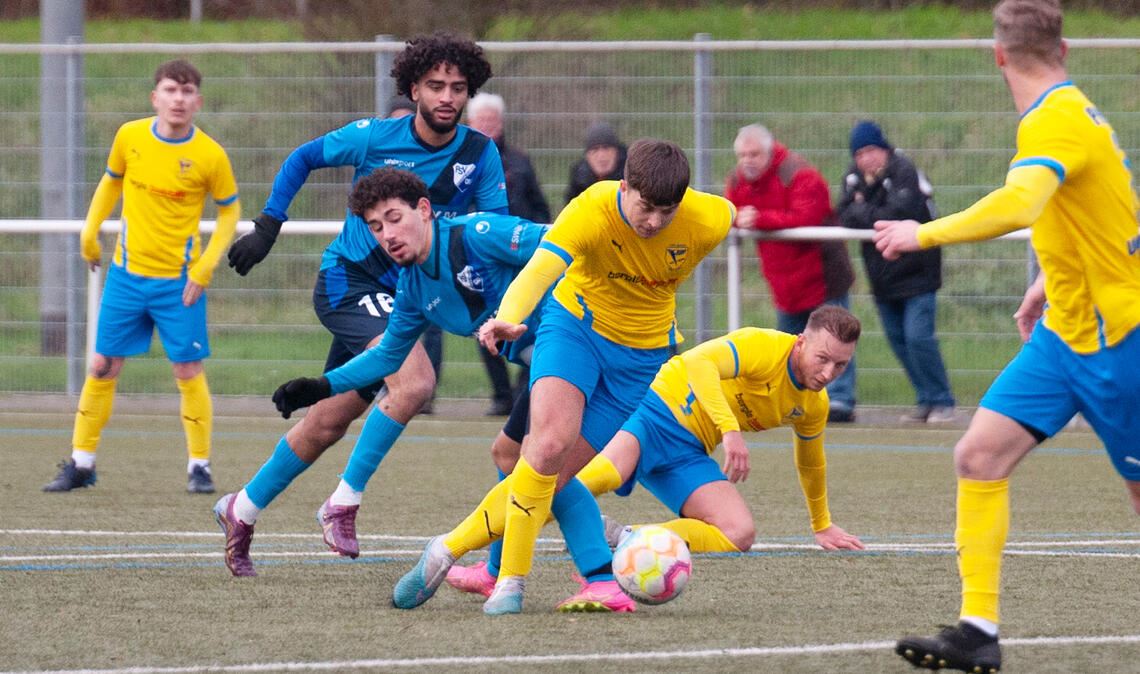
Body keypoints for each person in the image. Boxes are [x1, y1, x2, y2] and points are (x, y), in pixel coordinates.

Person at [874, 1, 1140, 670]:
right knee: (979, 456)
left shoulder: (1054, 119)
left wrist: (921, 232)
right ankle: (978, 630)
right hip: (1064, 337)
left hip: (1120, 342)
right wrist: (1051, 281)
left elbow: (1021, 203)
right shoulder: (1067, 114)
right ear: (1065, 49)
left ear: (997, 56)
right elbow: (1101, 212)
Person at [391, 138, 735, 615]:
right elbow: (539, 269)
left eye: (666, 211)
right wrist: (510, 315)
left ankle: (446, 548)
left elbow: (733, 210)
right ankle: (510, 580)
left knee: (557, 476)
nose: (654, 221)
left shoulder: (710, 217)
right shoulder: (592, 208)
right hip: (574, 329)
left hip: (642, 359)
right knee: (547, 445)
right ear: (624, 186)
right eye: (646, 207)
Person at [213, 33, 507, 578]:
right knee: (415, 382)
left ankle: (241, 508)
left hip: (407, 296)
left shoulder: (479, 154)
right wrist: (269, 224)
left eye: (458, 88)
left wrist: (494, 308)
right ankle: (342, 503)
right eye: (436, 85)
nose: (447, 96)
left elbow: (494, 236)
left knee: (330, 418)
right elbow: (303, 157)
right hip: (347, 282)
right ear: (414, 87)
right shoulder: (375, 137)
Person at [270, 167, 622, 602]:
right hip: (547, 364)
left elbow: (560, 241)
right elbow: (385, 358)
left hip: (584, 347)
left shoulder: (477, 233)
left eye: (394, 218)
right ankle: (501, 570)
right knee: (511, 455)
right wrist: (320, 387)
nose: (387, 234)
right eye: (376, 226)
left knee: (542, 465)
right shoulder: (413, 286)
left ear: (424, 210)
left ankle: (602, 577)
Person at [42, 59, 240, 495]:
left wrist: (206, 266)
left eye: (187, 92)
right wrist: (89, 232)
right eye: (171, 90)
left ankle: (199, 467)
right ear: (155, 97)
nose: (179, 99)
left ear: (197, 101)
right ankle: (81, 463)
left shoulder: (209, 155)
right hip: (127, 277)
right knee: (101, 366)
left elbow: (231, 211)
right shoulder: (130, 137)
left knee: (187, 370)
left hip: (180, 283)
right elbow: (111, 182)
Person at [725, 124, 858, 423]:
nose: (747, 160)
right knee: (789, 345)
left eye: (754, 154)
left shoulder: (800, 174)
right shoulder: (737, 180)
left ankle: (840, 399)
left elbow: (807, 217)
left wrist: (759, 219)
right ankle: (791, 400)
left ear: (769, 152)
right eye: (742, 154)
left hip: (822, 275)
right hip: (784, 282)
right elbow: (730, 211)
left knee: (834, 340)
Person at [836, 120, 956, 424]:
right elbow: (845, 214)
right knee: (898, 341)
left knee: (918, 338)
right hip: (882, 277)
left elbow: (901, 211)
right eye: (860, 153)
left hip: (918, 274)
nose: (866, 158)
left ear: (885, 149)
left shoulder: (904, 170)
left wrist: (865, 211)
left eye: (872, 150)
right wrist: (869, 212)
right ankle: (925, 400)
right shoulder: (853, 178)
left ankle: (942, 401)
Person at [467, 92, 551, 415]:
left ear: (500, 124)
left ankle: (523, 389)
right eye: (481, 120)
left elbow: (539, 205)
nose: (487, 125)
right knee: (486, 322)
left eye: (492, 119)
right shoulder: (461, 165)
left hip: (525, 257)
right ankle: (502, 395)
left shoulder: (519, 161)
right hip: (483, 262)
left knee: (532, 321)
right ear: (470, 124)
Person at [384, 94, 444, 414]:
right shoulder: (373, 167)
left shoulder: (436, 167)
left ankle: (424, 394)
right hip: (384, 273)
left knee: (431, 326)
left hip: (424, 267)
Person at [564, 122, 626, 205]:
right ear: (587, 155)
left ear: (617, 151)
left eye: (606, 148)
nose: (601, 155)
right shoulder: (579, 180)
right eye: (595, 149)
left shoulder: (630, 176)